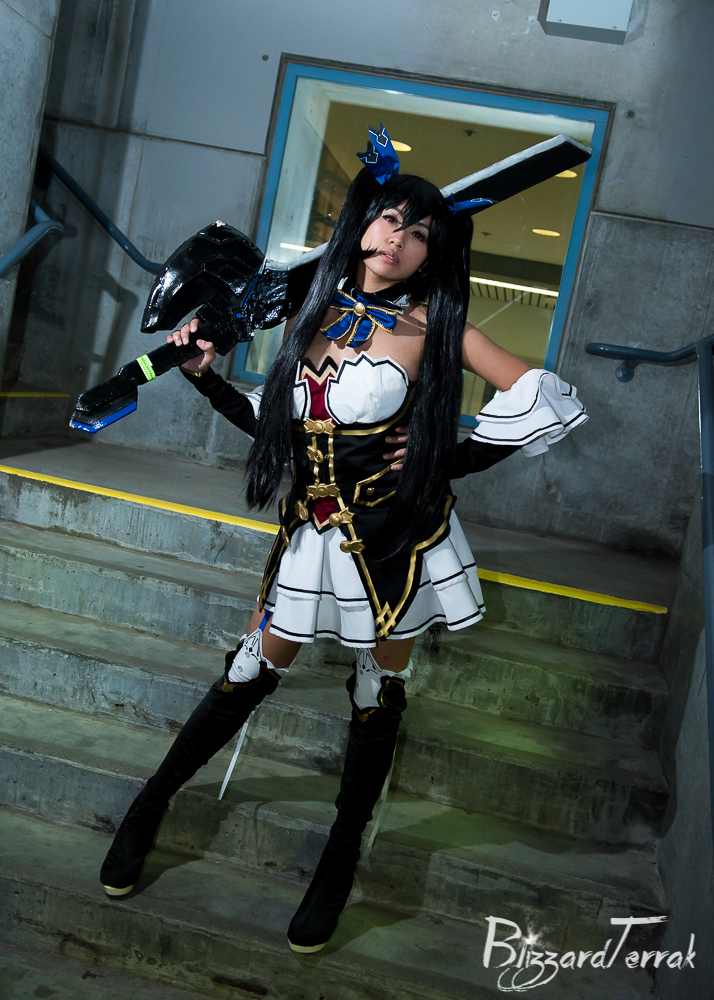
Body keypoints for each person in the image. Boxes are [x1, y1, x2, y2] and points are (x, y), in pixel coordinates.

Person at [99, 130, 587, 954]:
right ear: (362, 225)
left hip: (395, 542)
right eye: (390, 219)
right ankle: (149, 807)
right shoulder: (309, 313)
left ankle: (338, 859)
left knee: (374, 690)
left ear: (432, 251)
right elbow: (277, 430)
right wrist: (208, 381)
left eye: (420, 232)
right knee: (249, 668)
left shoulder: (435, 325)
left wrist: (443, 454)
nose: (399, 238)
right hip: (311, 532)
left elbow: (543, 397)